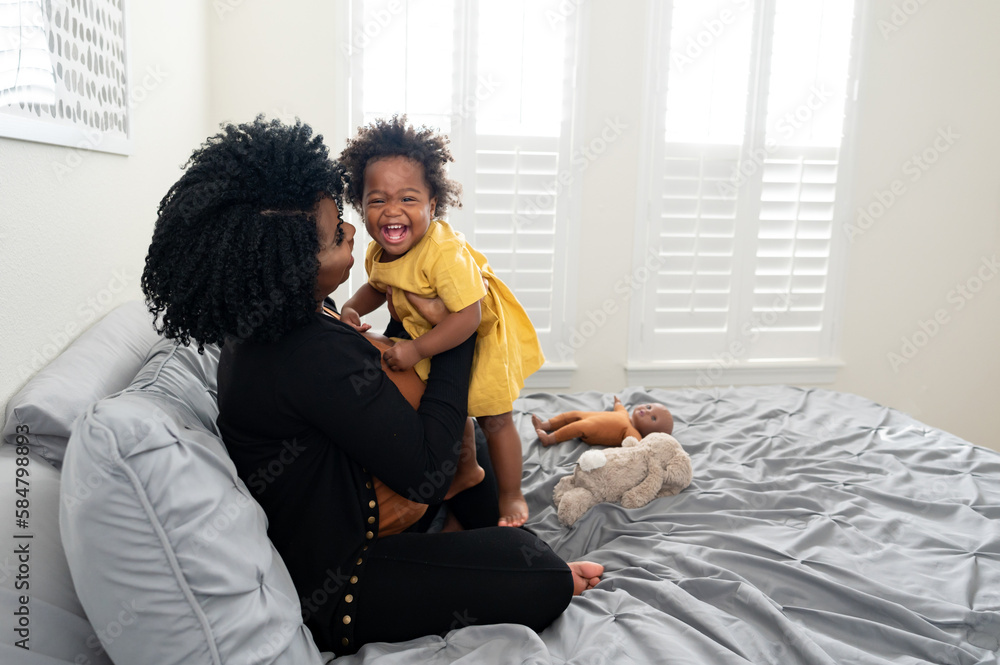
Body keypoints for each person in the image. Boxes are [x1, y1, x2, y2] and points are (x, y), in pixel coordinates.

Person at [140, 116, 602, 656]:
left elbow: (364, 390)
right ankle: (477, 543)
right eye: (336, 233)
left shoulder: (281, 319)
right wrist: (456, 330)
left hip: (370, 506)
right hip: (341, 583)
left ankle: (469, 532)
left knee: (474, 438)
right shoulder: (304, 352)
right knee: (541, 571)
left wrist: (407, 333)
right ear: (292, 262)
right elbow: (428, 474)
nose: (353, 232)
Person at [339, 116, 543, 528]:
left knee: (495, 419)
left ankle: (511, 494)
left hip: (477, 337)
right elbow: (378, 287)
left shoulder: (442, 254)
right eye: (377, 201)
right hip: (433, 335)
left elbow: (469, 315)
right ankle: (466, 470)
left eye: (408, 198)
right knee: (449, 412)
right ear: (361, 207)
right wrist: (351, 309)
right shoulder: (380, 252)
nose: (392, 211)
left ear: (432, 205)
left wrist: (416, 349)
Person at [532, 397, 675, 447]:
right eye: (649, 407)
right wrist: (618, 403)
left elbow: (635, 448)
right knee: (573, 414)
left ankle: (550, 439)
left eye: (653, 418)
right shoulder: (625, 414)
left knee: (578, 426)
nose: (647, 411)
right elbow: (620, 408)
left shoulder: (633, 433)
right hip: (588, 416)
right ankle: (545, 425)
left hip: (590, 429)